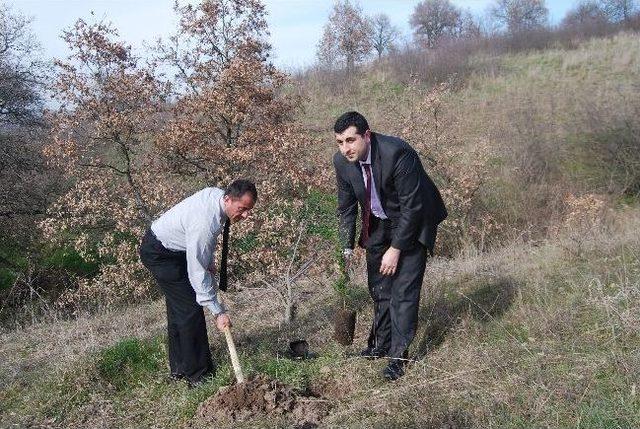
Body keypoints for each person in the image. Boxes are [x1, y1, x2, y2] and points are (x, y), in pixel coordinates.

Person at [333, 111, 447, 381]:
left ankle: (398, 356)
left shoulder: (398, 153)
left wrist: (396, 249)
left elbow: (412, 207)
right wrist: (345, 247)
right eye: (340, 142)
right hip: (378, 221)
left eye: (351, 140)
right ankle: (380, 345)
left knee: (402, 291)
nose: (346, 148)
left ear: (367, 136)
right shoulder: (341, 162)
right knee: (379, 287)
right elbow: (346, 207)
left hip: (414, 219)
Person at [139, 179, 257, 386]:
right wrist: (217, 311)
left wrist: (208, 259)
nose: (246, 215)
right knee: (190, 309)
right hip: (160, 254)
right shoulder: (206, 221)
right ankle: (198, 376)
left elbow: (200, 245)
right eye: (242, 209)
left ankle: (180, 368)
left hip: (174, 249)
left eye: (249, 210)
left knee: (179, 309)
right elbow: (197, 272)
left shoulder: (217, 197)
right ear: (228, 199)